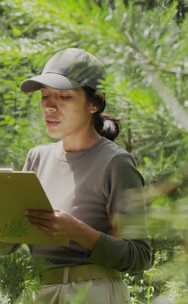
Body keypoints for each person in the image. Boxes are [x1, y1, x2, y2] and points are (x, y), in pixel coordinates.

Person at [19, 48, 152, 303]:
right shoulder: (37, 158)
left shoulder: (116, 163)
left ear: (94, 103)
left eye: (64, 96)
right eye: (45, 96)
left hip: (94, 293)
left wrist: (78, 232)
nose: (49, 105)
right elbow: (14, 243)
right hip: (39, 294)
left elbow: (139, 256)